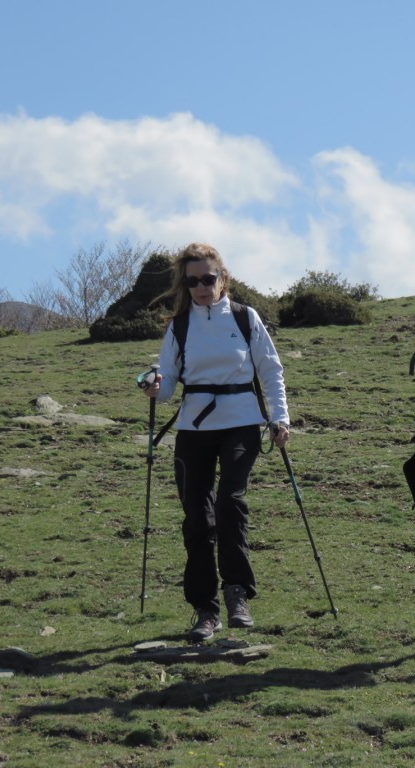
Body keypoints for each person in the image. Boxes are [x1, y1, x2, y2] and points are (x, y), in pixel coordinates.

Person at [141, 243, 290, 643]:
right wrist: (157, 387)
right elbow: (169, 382)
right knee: (196, 517)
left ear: (223, 276)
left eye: (209, 278)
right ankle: (205, 610)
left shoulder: (245, 318)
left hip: (242, 422)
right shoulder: (181, 325)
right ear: (185, 284)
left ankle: (237, 592)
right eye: (194, 281)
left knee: (230, 502)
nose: (202, 287)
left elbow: (270, 370)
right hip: (193, 428)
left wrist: (279, 418)